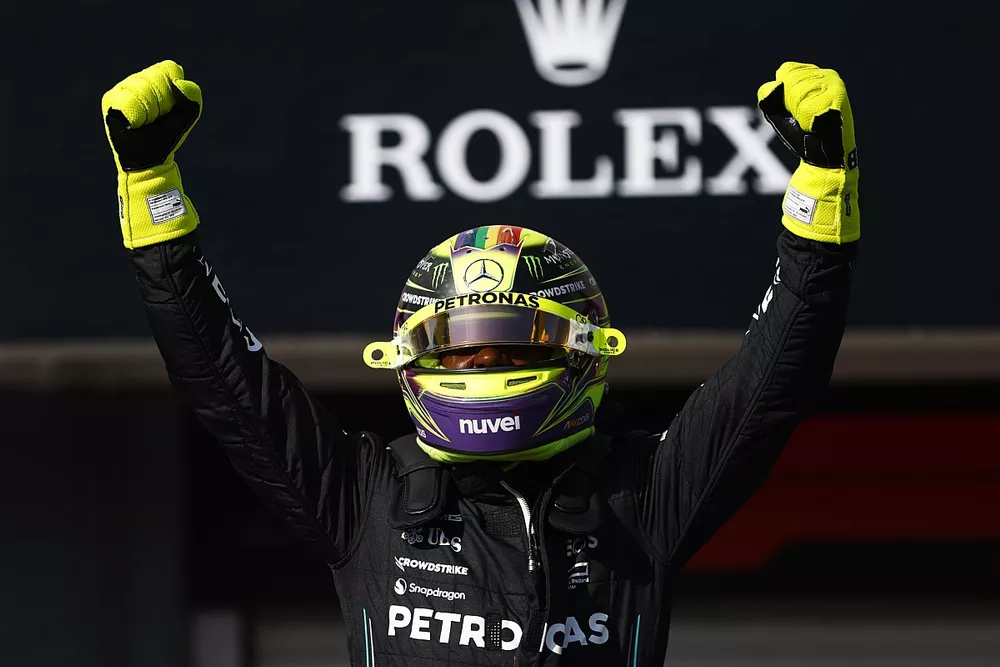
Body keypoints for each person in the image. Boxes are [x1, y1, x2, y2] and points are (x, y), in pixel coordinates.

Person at [102, 59, 859, 665]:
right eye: (458, 348)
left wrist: (823, 194)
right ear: (409, 357)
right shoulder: (367, 498)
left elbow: (774, 380)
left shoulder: (642, 496)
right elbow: (226, 382)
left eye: (510, 345)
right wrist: (152, 194)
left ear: (582, 349)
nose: (482, 366)